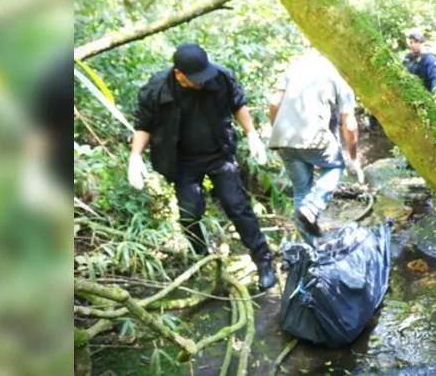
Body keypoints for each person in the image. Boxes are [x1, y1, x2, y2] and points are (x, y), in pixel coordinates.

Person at [127, 43, 277, 291]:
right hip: (182, 161)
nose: (201, 83)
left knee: (237, 206)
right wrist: (135, 157)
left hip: (219, 154)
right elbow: (144, 124)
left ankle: (263, 261)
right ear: (178, 73)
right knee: (189, 214)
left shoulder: (220, 77)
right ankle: (204, 262)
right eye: (194, 79)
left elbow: (238, 104)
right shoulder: (158, 88)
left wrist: (251, 134)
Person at [268, 51, 363, 238]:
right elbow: (350, 125)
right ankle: (313, 205)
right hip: (314, 137)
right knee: (336, 166)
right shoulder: (338, 77)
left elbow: (274, 102)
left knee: (301, 193)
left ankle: (311, 250)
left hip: (284, 139)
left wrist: (278, 131)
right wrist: (353, 158)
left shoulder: (295, 68)